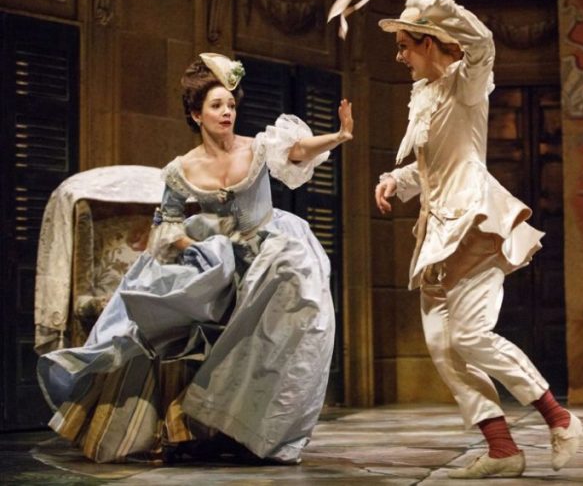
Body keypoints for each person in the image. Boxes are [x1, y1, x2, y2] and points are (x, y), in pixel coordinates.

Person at [37, 53, 353, 464]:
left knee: (292, 268)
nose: (227, 112)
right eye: (217, 105)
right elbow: (167, 225)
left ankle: (256, 429)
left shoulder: (258, 148)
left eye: (231, 105)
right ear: (196, 114)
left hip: (266, 251)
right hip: (216, 260)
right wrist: (197, 248)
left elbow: (296, 150)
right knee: (154, 302)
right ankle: (186, 426)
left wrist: (338, 135)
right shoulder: (181, 168)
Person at [373, 0, 583, 479]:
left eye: (404, 45)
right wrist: (397, 180)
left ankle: (558, 417)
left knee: (469, 335)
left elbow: (482, 40)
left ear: (428, 42)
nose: (399, 56)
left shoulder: (466, 84)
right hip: (436, 232)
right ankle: (502, 448)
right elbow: (435, 166)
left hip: (473, 223)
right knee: (443, 345)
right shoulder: (424, 95)